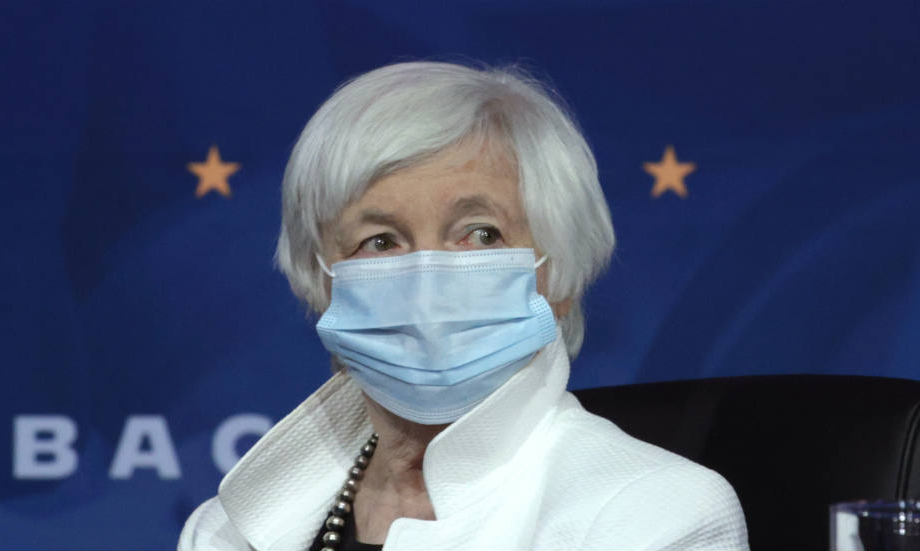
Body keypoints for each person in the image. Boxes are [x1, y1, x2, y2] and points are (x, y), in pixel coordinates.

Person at [178, 61, 748, 550]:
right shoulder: (229, 529)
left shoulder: (655, 515)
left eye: (481, 234)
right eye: (381, 241)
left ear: (559, 274)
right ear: (320, 279)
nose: (427, 282)